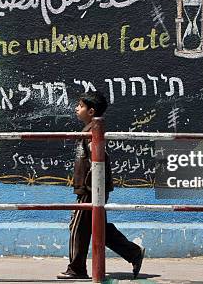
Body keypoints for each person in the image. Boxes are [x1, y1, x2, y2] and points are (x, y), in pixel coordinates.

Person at [57, 91, 145, 280]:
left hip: (90, 189)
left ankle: (76, 269)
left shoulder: (92, 133)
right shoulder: (90, 130)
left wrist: (88, 187)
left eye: (80, 106)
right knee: (99, 229)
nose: (76, 108)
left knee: (78, 228)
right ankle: (133, 252)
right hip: (93, 188)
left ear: (91, 111)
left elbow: (99, 159)